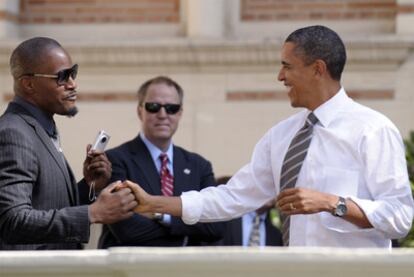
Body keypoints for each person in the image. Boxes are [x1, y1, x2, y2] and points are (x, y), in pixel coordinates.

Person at [122, 25, 414, 248]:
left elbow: (400, 217)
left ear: (318, 69)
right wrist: (153, 203)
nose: (280, 77)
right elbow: (232, 197)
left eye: (287, 66)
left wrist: (332, 203)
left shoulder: (373, 129)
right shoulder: (282, 136)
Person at [0, 37, 137, 250]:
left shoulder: (39, 126)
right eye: (62, 76)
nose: (73, 84)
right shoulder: (14, 133)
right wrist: (93, 213)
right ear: (29, 84)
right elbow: (13, 221)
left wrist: (90, 185)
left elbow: (48, 205)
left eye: (73, 73)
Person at [91, 76, 224, 248]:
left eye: (171, 108)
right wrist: (186, 235)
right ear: (140, 111)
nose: (163, 115)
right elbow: (127, 230)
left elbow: (216, 226)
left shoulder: (199, 166)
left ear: (180, 113)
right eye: (153, 107)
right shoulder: (115, 160)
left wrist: (159, 215)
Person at [213, 176, 283, 247]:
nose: (269, 192)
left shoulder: (277, 232)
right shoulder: (226, 218)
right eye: (265, 186)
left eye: (273, 187)